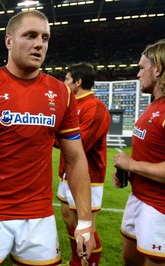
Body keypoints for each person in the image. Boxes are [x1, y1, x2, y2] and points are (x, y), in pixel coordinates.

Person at [0, 10, 95, 265]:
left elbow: (75, 158)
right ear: (9, 41)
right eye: (30, 35)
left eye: (45, 37)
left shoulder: (62, 93)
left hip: (39, 216)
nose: (40, 43)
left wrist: (85, 220)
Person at [113, 39, 165, 266]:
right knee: (130, 257)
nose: (138, 74)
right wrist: (128, 171)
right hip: (138, 197)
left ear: (158, 69)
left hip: (161, 208)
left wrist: (132, 165)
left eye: (141, 68)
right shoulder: (155, 104)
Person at [56, 63, 110, 266]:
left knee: (85, 228)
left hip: (89, 176)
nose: (64, 83)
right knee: (69, 219)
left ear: (78, 82)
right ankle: (75, 261)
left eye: (67, 79)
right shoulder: (72, 105)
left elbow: (81, 144)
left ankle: (90, 263)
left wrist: (48, 135)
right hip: (66, 173)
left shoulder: (95, 107)